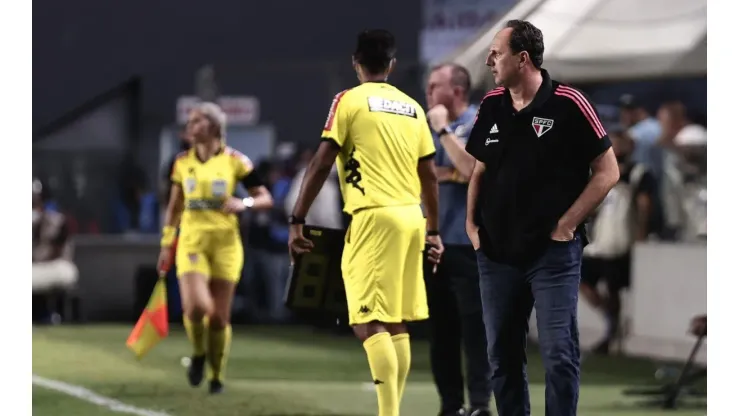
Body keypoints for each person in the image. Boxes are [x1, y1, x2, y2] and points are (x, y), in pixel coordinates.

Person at [464, 20, 619, 416]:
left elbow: (608, 171)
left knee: (558, 354)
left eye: (496, 52)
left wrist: (566, 225)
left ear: (523, 58)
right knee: (501, 355)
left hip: (552, 255)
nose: (489, 60)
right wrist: (471, 227)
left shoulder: (569, 103)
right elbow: (479, 170)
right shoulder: (492, 103)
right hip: (496, 253)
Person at [287, 29, 443, 416]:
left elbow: (322, 161)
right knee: (396, 321)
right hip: (411, 218)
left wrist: (297, 218)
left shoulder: (348, 100)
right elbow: (430, 176)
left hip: (374, 217)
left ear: (355, 63)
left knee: (367, 320)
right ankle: (393, 408)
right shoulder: (413, 107)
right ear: (391, 64)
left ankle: (388, 414)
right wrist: (434, 230)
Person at [158, 102, 274, 394]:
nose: (190, 127)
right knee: (197, 307)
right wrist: (166, 242)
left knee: (220, 317)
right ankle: (198, 353)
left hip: (226, 244)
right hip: (192, 242)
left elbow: (264, 198)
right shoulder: (182, 162)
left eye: (196, 121)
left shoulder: (236, 161)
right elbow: (174, 208)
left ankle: (217, 375)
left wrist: (243, 203)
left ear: (211, 126)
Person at [425, 63, 492, 416]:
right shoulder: (423, 128)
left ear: (457, 91)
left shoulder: (480, 121)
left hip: (469, 244)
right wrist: (447, 172)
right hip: (434, 243)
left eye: (435, 85)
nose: (429, 91)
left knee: (476, 328)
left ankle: (480, 404)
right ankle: (449, 405)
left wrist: (443, 130)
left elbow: (470, 169)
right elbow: (418, 176)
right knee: (441, 332)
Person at [580, 130, 657, 354]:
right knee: (583, 281)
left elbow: (644, 204)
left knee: (614, 287)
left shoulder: (639, 173)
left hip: (622, 238)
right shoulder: (599, 173)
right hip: (601, 239)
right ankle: (611, 320)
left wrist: (640, 234)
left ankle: (611, 333)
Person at [32, 178, 78, 323]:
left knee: (63, 271)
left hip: (56, 265)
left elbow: (57, 249)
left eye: (35, 199)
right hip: (34, 266)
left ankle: (49, 314)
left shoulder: (56, 220)